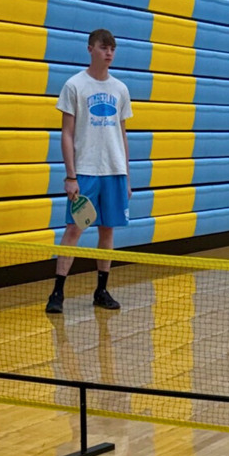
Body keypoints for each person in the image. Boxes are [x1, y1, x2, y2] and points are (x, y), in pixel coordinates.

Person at [46, 28, 133, 315]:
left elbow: (122, 134)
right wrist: (70, 176)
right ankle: (57, 292)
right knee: (74, 229)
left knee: (107, 230)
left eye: (112, 48)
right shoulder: (74, 85)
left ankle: (101, 290)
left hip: (114, 171)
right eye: (103, 47)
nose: (109, 53)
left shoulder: (120, 89)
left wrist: (127, 176)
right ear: (90, 49)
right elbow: (67, 133)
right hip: (85, 170)